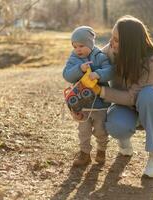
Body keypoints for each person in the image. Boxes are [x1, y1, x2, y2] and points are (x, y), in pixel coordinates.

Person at [99, 15, 153, 177]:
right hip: (125, 108)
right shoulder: (111, 51)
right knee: (116, 125)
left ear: (130, 43)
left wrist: (101, 92)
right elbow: (93, 58)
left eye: (117, 39)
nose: (111, 42)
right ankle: (124, 140)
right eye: (112, 37)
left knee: (148, 95)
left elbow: (134, 96)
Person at [63, 26, 113, 167]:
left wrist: (98, 74)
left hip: (100, 104)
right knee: (83, 131)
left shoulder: (100, 57)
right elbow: (66, 74)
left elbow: (110, 71)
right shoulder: (73, 59)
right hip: (81, 104)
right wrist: (80, 69)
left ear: (90, 44)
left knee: (101, 130)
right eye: (75, 46)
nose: (78, 49)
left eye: (81, 46)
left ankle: (101, 150)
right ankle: (84, 154)